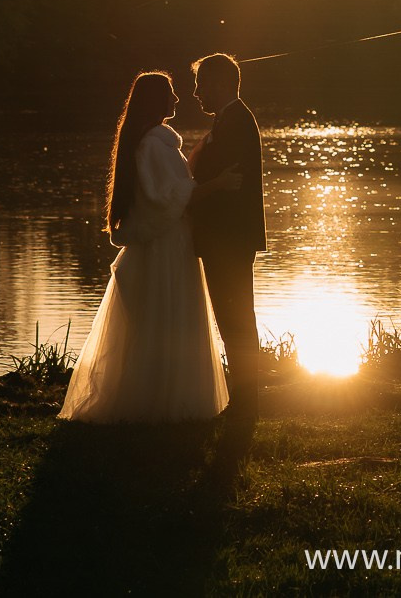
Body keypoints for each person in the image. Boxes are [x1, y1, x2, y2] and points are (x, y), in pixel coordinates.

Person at [58, 71, 239, 424]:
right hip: (167, 246)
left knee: (158, 322)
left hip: (165, 242)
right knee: (169, 321)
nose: (177, 99)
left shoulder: (152, 144)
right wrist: (218, 184)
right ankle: (165, 403)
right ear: (156, 100)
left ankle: (161, 400)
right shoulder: (155, 145)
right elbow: (172, 198)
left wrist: (195, 160)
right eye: (170, 93)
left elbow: (170, 188)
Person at [188, 52, 265, 414]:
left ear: (219, 84)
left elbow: (222, 180)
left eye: (200, 85)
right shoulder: (228, 120)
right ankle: (244, 397)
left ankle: (247, 400)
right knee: (231, 317)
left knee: (236, 317)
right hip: (226, 237)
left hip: (229, 238)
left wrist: (186, 191)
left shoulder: (236, 122)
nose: (196, 93)